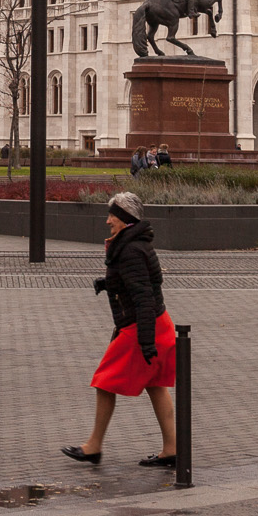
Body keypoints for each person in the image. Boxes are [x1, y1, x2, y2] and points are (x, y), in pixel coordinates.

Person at [62, 191, 177, 468]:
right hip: (156, 324)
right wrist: (109, 283)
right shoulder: (134, 245)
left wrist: (146, 342)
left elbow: (144, 298)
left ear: (125, 220)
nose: (107, 220)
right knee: (156, 385)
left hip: (141, 328)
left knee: (104, 380)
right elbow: (141, 286)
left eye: (112, 215)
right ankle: (173, 449)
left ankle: (94, 447)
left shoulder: (130, 250)